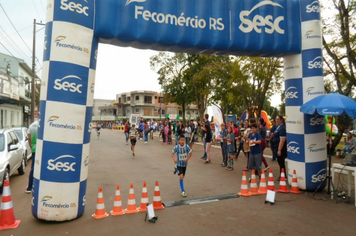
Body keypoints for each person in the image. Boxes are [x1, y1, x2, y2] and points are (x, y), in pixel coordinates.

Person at [25, 118, 40, 194]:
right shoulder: (43, 124)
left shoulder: (31, 126)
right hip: (43, 148)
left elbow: (29, 138)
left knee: (33, 168)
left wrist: (31, 147)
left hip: (34, 149)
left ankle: (29, 187)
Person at [272, 115, 287, 181]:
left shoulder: (282, 128)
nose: (277, 121)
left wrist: (279, 150)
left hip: (280, 146)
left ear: (281, 120)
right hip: (276, 145)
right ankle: (282, 175)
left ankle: (283, 176)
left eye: (278, 119)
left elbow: (282, 140)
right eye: (276, 119)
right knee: (279, 162)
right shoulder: (278, 127)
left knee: (281, 162)